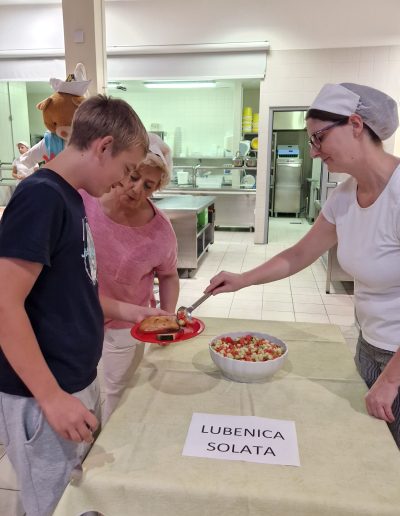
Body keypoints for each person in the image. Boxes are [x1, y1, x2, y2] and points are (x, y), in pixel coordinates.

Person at [206, 82, 400, 448]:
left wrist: (390, 381)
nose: (314, 152)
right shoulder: (344, 197)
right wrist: (243, 278)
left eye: (319, 138)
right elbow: (298, 255)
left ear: (356, 125)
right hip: (369, 345)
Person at [0, 95, 167, 516]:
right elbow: (4, 303)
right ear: (103, 146)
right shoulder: (41, 196)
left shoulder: (71, 199)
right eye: (126, 170)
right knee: (54, 505)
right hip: (44, 395)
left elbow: (75, 288)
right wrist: (52, 397)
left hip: (72, 381)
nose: (123, 182)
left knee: (73, 497)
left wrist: (135, 312)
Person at [81, 133, 179, 423]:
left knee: (117, 391)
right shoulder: (86, 199)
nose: (136, 189)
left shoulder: (160, 231)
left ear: (156, 188)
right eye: (133, 176)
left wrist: (167, 317)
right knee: (82, 391)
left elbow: (169, 275)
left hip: (128, 322)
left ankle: (112, 455)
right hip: (80, 313)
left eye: (148, 185)